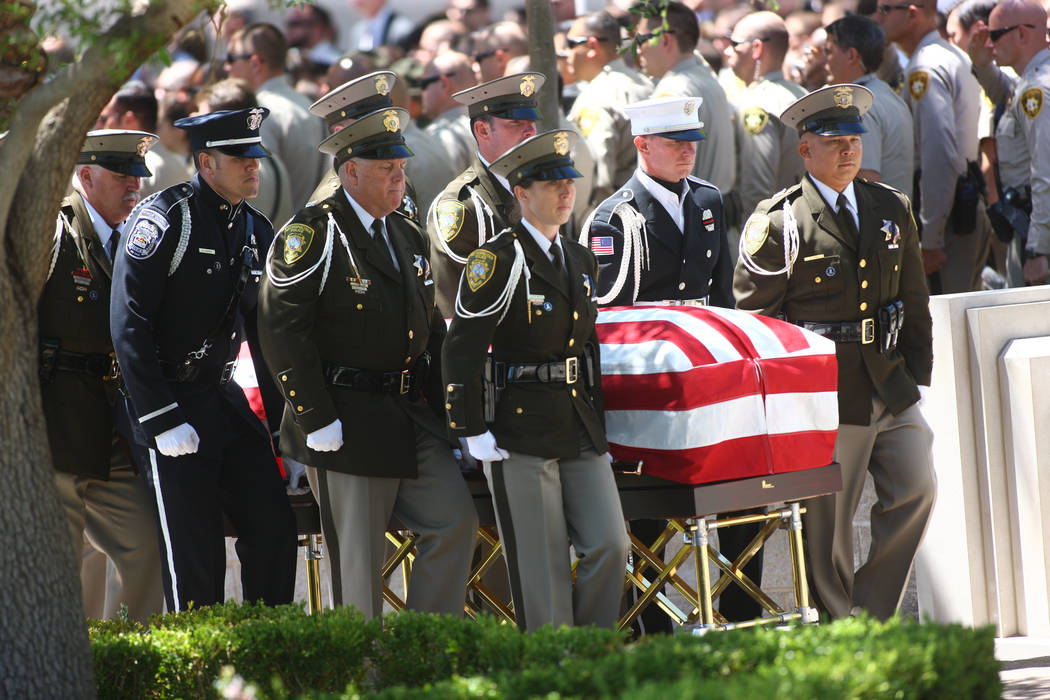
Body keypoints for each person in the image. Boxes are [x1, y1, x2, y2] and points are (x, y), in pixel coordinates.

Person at [258, 107, 478, 619]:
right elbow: (281, 328)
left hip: (407, 414)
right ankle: (368, 679)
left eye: (401, 166)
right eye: (386, 169)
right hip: (344, 417)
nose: (400, 176)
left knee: (454, 524)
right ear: (350, 171)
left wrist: (458, 417)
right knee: (359, 568)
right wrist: (315, 416)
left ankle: (422, 653)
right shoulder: (314, 233)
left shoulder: (403, 231)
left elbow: (431, 330)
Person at [734, 84, 935, 620]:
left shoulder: (891, 206)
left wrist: (916, 375)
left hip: (889, 383)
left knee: (917, 489)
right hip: (825, 393)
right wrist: (780, 405)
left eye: (854, 139)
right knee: (829, 527)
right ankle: (839, 626)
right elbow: (758, 323)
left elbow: (913, 298)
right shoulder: (779, 222)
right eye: (834, 141)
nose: (849, 149)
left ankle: (870, 614)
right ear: (805, 151)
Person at [110, 108, 298, 612]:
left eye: (256, 157)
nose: (253, 167)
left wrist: (285, 432)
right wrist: (160, 417)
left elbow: (265, 336)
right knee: (193, 554)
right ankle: (202, 674)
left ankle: (268, 651)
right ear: (207, 161)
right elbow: (129, 325)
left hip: (220, 395)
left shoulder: (255, 227)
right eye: (241, 158)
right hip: (168, 400)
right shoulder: (165, 219)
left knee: (275, 525)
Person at [581, 95, 757, 628]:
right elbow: (613, 325)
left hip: (707, 375)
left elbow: (722, 293)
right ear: (642, 145)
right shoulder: (615, 217)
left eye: (691, 143)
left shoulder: (708, 200)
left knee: (740, 502)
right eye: (675, 144)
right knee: (651, 519)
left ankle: (741, 617)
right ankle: (651, 627)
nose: (688, 153)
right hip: (652, 386)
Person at [442, 129, 630, 631]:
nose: (566, 191)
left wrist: (600, 428)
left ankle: (589, 655)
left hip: (576, 426)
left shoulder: (580, 259)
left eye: (568, 181)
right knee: (541, 569)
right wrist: (470, 428)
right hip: (518, 430)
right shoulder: (497, 260)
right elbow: (459, 348)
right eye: (551, 184)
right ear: (521, 193)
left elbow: (587, 350)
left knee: (611, 545)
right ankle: (554, 669)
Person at [42, 130, 165, 623]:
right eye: (121, 176)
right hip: (53, 422)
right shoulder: (54, 231)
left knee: (146, 546)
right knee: (62, 568)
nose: (134, 186)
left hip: (113, 427)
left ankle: (132, 668)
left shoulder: (138, 238)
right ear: (85, 176)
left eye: (138, 176)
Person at [878, 0, 989, 293]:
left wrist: (931, 237)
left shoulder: (925, 67)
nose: (879, 18)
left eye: (885, 9)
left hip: (948, 219)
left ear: (911, 14)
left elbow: (938, 154)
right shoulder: (948, 55)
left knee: (946, 326)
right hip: (958, 207)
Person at [426, 72, 543, 316]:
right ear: (483, 130)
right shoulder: (461, 206)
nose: (530, 132)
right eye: (516, 124)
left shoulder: (543, 189)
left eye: (532, 123)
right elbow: (453, 312)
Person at [965, 0, 1050, 286]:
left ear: (1022, 34)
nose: (990, 42)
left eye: (996, 34)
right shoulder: (1031, 82)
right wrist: (981, 62)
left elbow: (1045, 172)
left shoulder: (1037, 90)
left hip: (1035, 229)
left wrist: (1038, 248)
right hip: (1030, 222)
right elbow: (1005, 94)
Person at [633, 1, 736, 197]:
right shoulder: (709, 79)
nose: (637, 50)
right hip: (712, 212)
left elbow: (659, 182)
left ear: (665, 40)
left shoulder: (672, 94)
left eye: (641, 40)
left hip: (688, 217)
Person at [225, 23, 328, 210]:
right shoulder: (306, 104)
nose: (227, 67)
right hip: (309, 227)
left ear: (255, 64)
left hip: (277, 233)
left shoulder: (260, 112)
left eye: (232, 58)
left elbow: (260, 189)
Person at [722, 11, 807, 221]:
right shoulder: (802, 94)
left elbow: (757, 189)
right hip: (802, 221)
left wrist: (751, 241)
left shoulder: (757, 104)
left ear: (756, 48)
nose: (727, 50)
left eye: (735, 43)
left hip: (771, 231)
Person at [566, 11, 653, 207]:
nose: (567, 52)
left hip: (618, 216)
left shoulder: (595, 96)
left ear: (592, 46)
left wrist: (595, 228)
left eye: (571, 44)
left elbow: (598, 177)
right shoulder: (645, 85)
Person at [824, 14, 914, 195]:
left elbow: (866, 182)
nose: (825, 60)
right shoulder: (887, 94)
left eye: (829, 51)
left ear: (851, 56)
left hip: (874, 219)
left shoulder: (859, 105)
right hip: (895, 218)